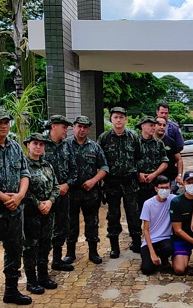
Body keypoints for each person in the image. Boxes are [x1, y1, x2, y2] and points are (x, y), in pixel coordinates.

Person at [0, 108, 32, 308]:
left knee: (15, 251)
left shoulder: (14, 146)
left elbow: (24, 172)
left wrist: (19, 196)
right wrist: (4, 197)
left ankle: (11, 291)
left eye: (6, 122)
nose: (4, 125)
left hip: (15, 210)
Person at [98, 107, 141, 258]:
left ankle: (136, 243)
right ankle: (114, 247)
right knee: (113, 215)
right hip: (112, 183)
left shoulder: (133, 137)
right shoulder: (104, 138)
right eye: (115, 117)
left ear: (126, 120)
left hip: (130, 183)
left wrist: (135, 173)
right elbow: (99, 160)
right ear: (111, 119)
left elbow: (138, 157)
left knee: (133, 214)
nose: (118, 120)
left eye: (121, 117)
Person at [65, 116, 108, 265]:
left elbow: (104, 167)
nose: (82, 130)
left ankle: (93, 252)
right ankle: (70, 253)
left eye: (85, 127)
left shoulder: (94, 147)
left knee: (92, 222)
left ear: (89, 129)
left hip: (90, 192)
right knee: (71, 223)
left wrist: (94, 180)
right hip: (71, 192)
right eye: (79, 126)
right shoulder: (65, 145)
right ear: (74, 127)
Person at [22, 133, 61, 293]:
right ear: (28, 145)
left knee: (46, 244)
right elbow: (23, 190)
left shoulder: (47, 165)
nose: (38, 147)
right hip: (31, 213)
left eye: (41, 144)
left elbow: (56, 186)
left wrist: (50, 201)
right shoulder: (23, 166)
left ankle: (43, 277)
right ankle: (31, 281)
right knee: (31, 247)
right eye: (35, 144)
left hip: (48, 212)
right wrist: (38, 204)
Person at [42, 115, 75, 272]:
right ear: (53, 126)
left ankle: (57, 260)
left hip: (63, 194)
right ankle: (40, 265)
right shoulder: (40, 143)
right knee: (44, 231)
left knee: (62, 227)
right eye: (64, 127)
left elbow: (74, 169)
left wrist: (67, 184)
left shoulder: (67, 146)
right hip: (45, 197)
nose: (66, 130)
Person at [140, 176, 175, 275]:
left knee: (169, 247)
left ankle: (164, 260)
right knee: (147, 270)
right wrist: (152, 253)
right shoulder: (148, 204)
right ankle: (151, 258)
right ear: (156, 189)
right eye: (162, 188)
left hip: (165, 239)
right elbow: (145, 230)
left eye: (167, 188)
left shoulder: (173, 200)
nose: (164, 190)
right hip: (151, 240)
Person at [135, 116, 169, 219]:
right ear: (143, 126)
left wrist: (154, 174)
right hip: (137, 184)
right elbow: (128, 161)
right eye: (151, 125)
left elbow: (165, 162)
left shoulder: (159, 143)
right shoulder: (134, 142)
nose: (153, 128)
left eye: (154, 125)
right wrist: (138, 174)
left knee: (155, 212)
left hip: (154, 184)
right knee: (138, 213)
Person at [155, 116, 183, 192]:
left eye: (164, 125)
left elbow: (179, 160)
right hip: (154, 179)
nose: (162, 127)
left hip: (170, 178)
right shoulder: (149, 141)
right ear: (154, 125)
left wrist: (179, 175)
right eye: (159, 124)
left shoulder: (171, 142)